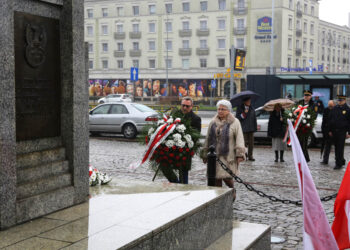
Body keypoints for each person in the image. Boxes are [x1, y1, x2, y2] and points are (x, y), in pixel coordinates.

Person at [202, 100, 245, 201]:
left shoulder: (235, 122)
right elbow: (208, 138)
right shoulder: (213, 122)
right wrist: (205, 154)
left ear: (228, 111)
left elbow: (239, 138)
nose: (220, 111)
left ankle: (232, 190)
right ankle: (219, 198)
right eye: (219, 109)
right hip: (214, 156)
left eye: (223, 109)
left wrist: (240, 154)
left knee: (228, 178)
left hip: (228, 156)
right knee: (216, 179)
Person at [172, 97, 201, 184]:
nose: (184, 108)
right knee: (167, 168)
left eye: (187, 106)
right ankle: (176, 183)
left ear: (191, 106)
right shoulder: (175, 115)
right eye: (183, 105)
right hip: (171, 148)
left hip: (186, 150)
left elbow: (196, 136)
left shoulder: (196, 119)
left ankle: (183, 189)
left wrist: (185, 143)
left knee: (184, 172)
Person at [328, 95, 350, 170]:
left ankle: (338, 163)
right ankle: (340, 160)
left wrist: (349, 133)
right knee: (336, 147)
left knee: (340, 148)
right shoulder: (335, 108)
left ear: (344, 101)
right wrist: (330, 130)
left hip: (342, 131)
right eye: (339, 100)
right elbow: (330, 120)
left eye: (341, 100)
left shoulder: (347, 109)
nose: (339, 102)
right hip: (334, 131)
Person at [296, 90, 316, 162]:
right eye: (305, 95)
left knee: (304, 142)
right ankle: (303, 157)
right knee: (299, 142)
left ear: (310, 96)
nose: (306, 97)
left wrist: (308, 119)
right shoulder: (300, 103)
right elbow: (295, 110)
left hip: (307, 126)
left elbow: (314, 115)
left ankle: (304, 158)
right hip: (299, 125)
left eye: (307, 96)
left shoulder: (313, 104)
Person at [236, 97, 257, 161]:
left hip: (251, 128)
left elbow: (254, 118)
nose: (249, 102)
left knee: (251, 143)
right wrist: (244, 113)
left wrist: (255, 127)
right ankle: (244, 155)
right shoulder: (240, 108)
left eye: (250, 101)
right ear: (244, 102)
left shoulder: (252, 108)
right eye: (248, 101)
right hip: (244, 128)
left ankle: (250, 156)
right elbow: (238, 118)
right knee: (243, 143)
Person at [321, 100, 335, 164]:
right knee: (327, 147)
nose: (330, 107)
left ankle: (340, 160)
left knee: (338, 147)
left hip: (335, 131)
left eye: (331, 106)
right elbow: (324, 120)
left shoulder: (336, 110)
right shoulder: (326, 110)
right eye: (329, 106)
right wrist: (323, 130)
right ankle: (325, 160)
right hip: (327, 131)